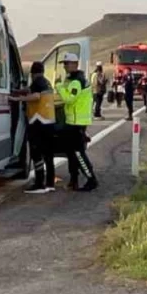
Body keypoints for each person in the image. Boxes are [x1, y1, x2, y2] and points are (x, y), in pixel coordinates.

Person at [55, 53, 98, 192]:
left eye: (67, 63)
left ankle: (91, 180)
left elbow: (69, 99)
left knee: (78, 153)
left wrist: (59, 86)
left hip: (77, 122)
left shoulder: (77, 81)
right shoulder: (72, 79)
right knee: (71, 153)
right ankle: (74, 181)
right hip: (72, 121)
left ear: (75, 64)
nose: (65, 66)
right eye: (64, 64)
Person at [12, 61, 57, 194]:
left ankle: (39, 183)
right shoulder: (45, 82)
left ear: (33, 73)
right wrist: (19, 91)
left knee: (36, 153)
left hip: (38, 121)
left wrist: (18, 98)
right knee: (48, 154)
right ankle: (50, 183)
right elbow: (31, 90)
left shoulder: (38, 82)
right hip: (48, 122)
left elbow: (36, 96)